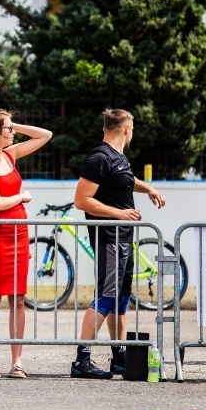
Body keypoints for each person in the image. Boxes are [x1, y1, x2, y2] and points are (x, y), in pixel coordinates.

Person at [71, 108, 166, 379]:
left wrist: (148, 189)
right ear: (126, 129)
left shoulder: (118, 157)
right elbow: (82, 200)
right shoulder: (99, 157)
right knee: (106, 296)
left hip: (124, 237)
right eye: (132, 128)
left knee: (122, 298)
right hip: (109, 238)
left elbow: (124, 179)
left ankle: (119, 356)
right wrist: (118, 213)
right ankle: (82, 359)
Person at [0, 110, 52, 379]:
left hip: (18, 234)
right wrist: (22, 197)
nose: (13, 132)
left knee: (18, 299)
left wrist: (12, 122)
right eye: (7, 128)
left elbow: (46, 135)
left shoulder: (10, 153)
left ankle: (17, 362)